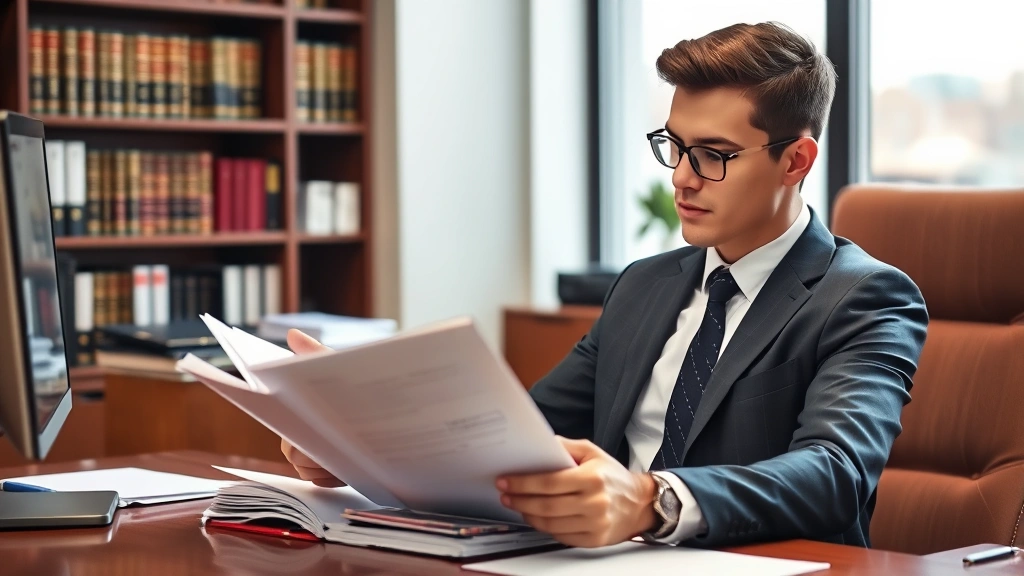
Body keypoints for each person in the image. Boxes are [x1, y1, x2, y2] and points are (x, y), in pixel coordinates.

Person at [281, 22, 928, 549]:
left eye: (713, 154)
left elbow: (834, 474)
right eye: (674, 146)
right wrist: (364, 448)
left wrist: (653, 501)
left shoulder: (865, 296)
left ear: (797, 160)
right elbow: (520, 431)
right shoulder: (645, 285)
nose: (682, 177)